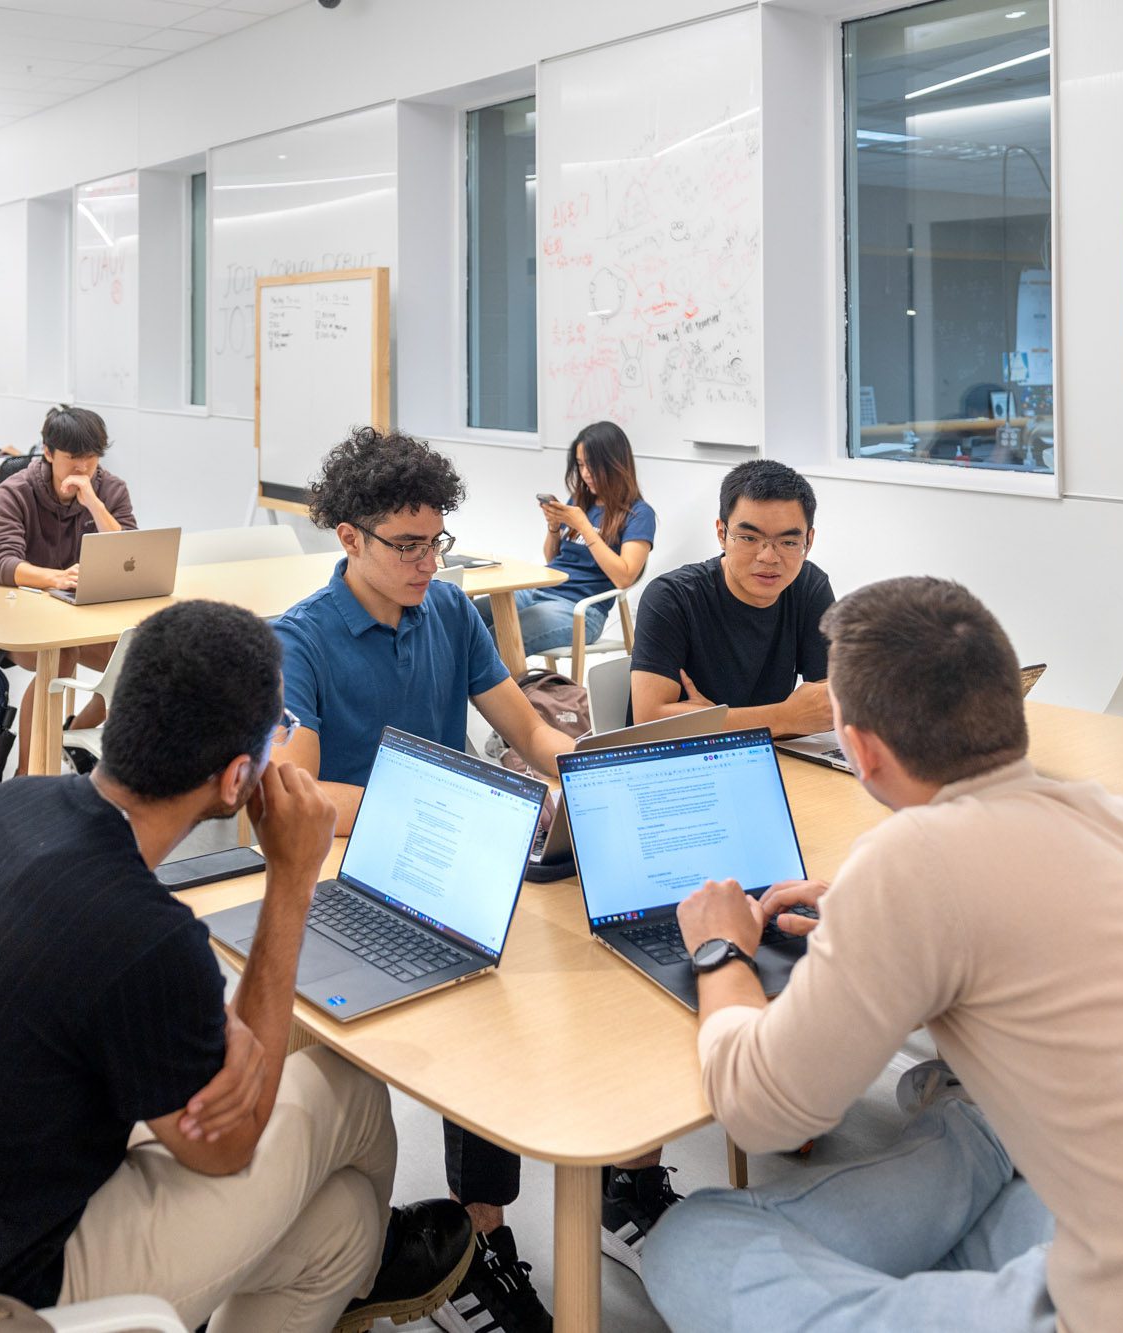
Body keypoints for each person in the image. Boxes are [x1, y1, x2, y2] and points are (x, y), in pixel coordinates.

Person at [646, 577, 1123, 1331]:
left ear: (861, 751)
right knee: (1000, 1161)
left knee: (695, 1242)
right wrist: (873, 926)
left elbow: (760, 1114)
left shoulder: (913, 861)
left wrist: (718, 946)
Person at [0, 601, 475, 1331]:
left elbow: (107, 998)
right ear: (236, 781)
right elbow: (229, 1146)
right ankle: (377, 1260)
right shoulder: (147, 935)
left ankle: (365, 1256)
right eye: (277, 733)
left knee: (340, 1226)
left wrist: (222, 1041)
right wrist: (291, 878)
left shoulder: (9, 808)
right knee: (349, 1090)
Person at [268, 426, 662, 1331]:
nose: (424, 561)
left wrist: (588, 774)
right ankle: (366, 1256)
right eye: (404, 545)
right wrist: (429, 798)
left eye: (435, 540)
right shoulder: (302, 639)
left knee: (510, 1004)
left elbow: (527, 732)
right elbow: (298, 795)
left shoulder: (449, 610)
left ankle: (481, 1234)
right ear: (348, 538)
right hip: (348, 875)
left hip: (451, 858)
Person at [628, 458, 834, 732]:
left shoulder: (809, 587)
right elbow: (650, 721)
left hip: (771, 756)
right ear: (722, 533)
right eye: (749, 538)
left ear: (808, 542)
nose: (768, 557)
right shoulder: (671, 598)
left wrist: (714, 720)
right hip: (679, 763)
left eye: (787, 542)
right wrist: (785, 717)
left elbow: (831, 703)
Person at [0, 404, 134, 767]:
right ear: (49, 453)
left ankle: (75, 739)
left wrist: (95, 505)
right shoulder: (16, 490)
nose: (83, 468)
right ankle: (28, 776)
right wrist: (56, 577)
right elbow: (1, 563)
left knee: (140, 656)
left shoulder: (110, 490)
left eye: (91, 457)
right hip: (23, 614)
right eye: (73, 458)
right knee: (60, 654)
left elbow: (130, 554)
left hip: (84, 616)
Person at [477, 420, 655, 661]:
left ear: (615, 464)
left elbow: (624, 577)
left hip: (579, 609)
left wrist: (585, 527)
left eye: (592, 466)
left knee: (500, 638)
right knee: (468, 618)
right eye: (581, 465)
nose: (585, 474)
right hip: (540, 592)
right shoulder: (580, 500)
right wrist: (553, 527)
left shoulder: (639, 514)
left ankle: (511, 697)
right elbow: (553, 558)